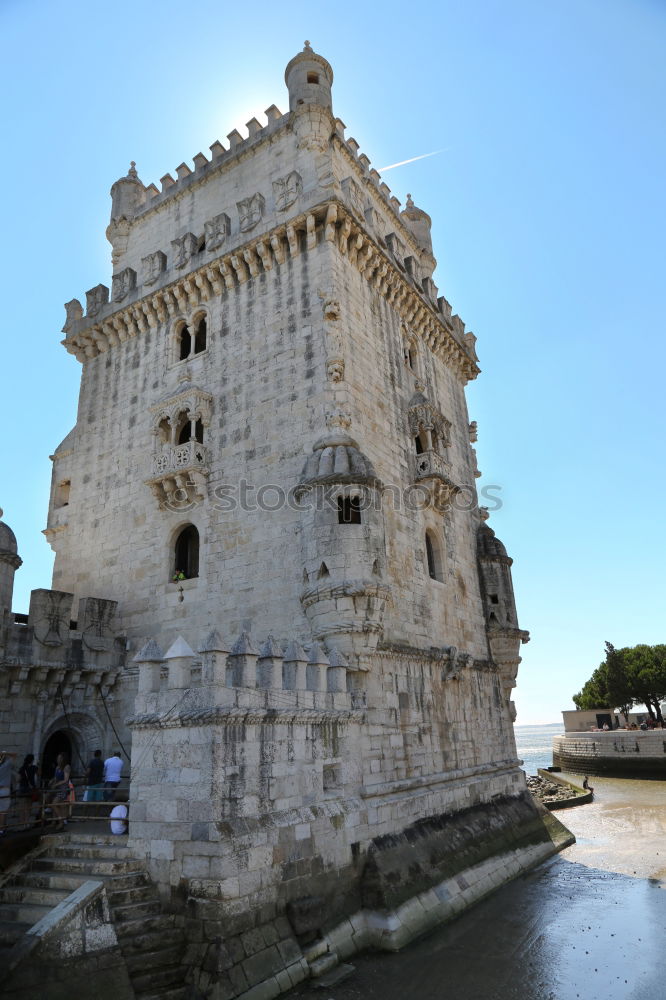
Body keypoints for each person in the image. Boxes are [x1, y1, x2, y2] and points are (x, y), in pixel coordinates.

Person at [50, 753, 71, 829]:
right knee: (58, 806)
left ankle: (61, 822)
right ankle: (54, 822)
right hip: (56, 788)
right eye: (58, 757)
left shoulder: (66, 767)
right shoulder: (57, 767)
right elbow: (56, 777)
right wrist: (52, 781)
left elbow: (66, 779)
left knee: (54, 804)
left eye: (59, 758)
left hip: (62, 789)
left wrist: (56, 784)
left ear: (63, 759)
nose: (58, 759)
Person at [17, 753, 39, 826]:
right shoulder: (34, 768)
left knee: (21, 807)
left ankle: (22, 823)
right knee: (28, 806)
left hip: (22, 787)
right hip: (30, 788)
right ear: (32, 760)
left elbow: (19, 779)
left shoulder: (22, 768)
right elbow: (39, 774)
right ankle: (27, 822)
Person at [0, 750, 16, 835]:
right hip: (5, 790)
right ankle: (1, 829)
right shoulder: (7, 765)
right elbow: (14, 755)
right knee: (3, 811)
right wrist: (6, 753)